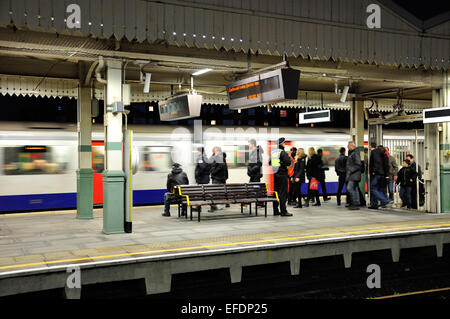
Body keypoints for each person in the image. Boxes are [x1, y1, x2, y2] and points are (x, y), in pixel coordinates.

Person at [270, 138, 293, 216]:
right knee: (283, 193)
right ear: (282, 144)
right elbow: (289, 162)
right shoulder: (283, 153)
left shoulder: (273, 152)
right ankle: (283, 211)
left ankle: (275, 210)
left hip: (275, 174)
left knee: (276, 192)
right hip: (282, 175)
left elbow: (269, 162)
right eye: (284, 143)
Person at [369, 143, 390, 209]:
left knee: (373, 188)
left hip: (377, 174)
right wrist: (386, 175)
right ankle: (374, 204)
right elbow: (386, 166)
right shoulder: (384, 154)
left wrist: (373, 171)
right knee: (379, 189)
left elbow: (375, 162)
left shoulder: (374, 152)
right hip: (383, 174)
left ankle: (384, 200)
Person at [208, 146, 228, 211]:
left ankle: (215, 206)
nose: (213, 152)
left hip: (217, 177)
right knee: (220, 191)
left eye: (213, 151)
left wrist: (213, 172)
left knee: (215, 192)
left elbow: (220, 166)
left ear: (216, 150)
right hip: (221, 177)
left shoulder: (219, 156)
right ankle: (220, 205)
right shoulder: (220, 156)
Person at [345, 141, 362, 210]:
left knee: (350, 188)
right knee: (355, 189)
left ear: (352, 146)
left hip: (354, 175)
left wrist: (350, 170)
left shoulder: (355, 153)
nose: (347, 147)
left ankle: (354, 203)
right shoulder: (353, 153)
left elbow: (358, 164)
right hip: (353, 175)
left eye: (348, 146)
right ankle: (356, 203)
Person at [194, 147, 210, 213]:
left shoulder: (201, 158)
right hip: (204, 178)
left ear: (200, 151)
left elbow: (202, 167)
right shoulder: (205, 157)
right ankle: (213, 206)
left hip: (202, 178)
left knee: (201, 193)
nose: (196, 152)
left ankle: (198, 207)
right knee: (203, 193)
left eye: (197, 151)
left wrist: (198, 175)